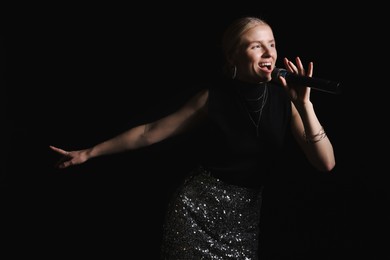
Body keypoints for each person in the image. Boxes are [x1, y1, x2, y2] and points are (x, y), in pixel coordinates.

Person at [50, 16, 335, 259]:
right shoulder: (212, 98)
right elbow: (150, 132)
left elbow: (325, 164)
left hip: (244, 221)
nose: (268, 54)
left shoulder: (286, 99)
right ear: (233, 56)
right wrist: (89, 152)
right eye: (256, 46)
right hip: (195, 213)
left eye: (271, 44)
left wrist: (305, 105)